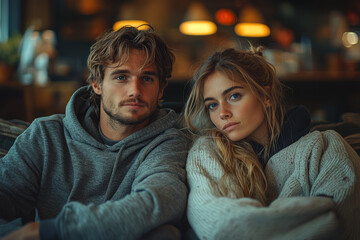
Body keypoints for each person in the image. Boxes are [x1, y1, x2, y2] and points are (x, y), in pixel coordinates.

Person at [0, 25, 189, 240]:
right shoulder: (45, 135)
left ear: (161, 89)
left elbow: (161, 201)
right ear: (97, 84)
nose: (135, 90)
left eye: (147, 78)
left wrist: (50, 231)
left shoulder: (167, 142)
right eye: (121, 77)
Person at [183, 47, 360, 240]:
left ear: (265, 96)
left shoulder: (326, 147)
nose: (222, 112)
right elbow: (220, 225)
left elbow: (342, 223)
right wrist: (311, 217)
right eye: (212, 105)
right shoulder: (208, 151)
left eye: (234, 96)